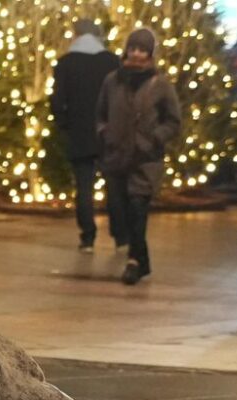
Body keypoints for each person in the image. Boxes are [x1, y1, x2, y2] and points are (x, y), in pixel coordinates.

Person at [98, 28, 181, 286]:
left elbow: (173, 121)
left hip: (145, 160)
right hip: (116, 157)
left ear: (150, 53)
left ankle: (134, 261)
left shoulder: (160, 85)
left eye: (142, 50)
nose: (136, 54)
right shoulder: (113, 81)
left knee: (137, 210)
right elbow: (100, 114)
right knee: (120, 210)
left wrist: (155, 137)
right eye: (133, 48)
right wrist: (105, 133)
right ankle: (142, 261)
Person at [51, 19, 120, 253]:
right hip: (109, 132)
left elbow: (57, 101)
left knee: (83, 187)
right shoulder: (112, 62)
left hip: (79, 132)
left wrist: (64, 126)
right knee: (114, 185)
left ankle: (88, 237)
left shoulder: (65, 63)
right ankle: (120, 236)